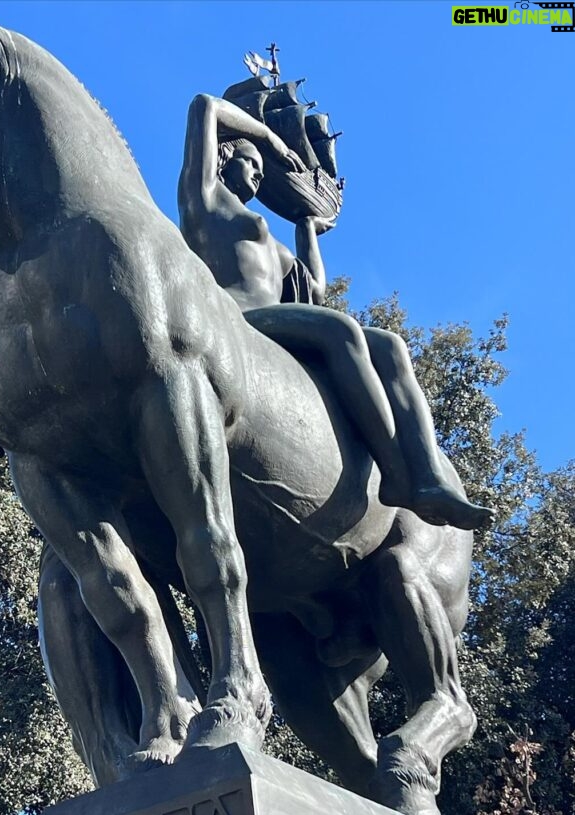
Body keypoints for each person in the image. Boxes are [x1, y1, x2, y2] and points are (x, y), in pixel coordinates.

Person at [178, 93, 492, 531]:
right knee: (341, 332)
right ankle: (396, 473)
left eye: (261, 169)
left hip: (280, 322)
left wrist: (307, 230)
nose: (258, 172)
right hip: (238, 318)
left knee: (389, 346)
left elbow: (315, 292)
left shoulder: (275, 245)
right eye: (251, 163)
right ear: (225, 158)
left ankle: (429, 475)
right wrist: (267, 135)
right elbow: (203, 107)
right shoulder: (204, 201)